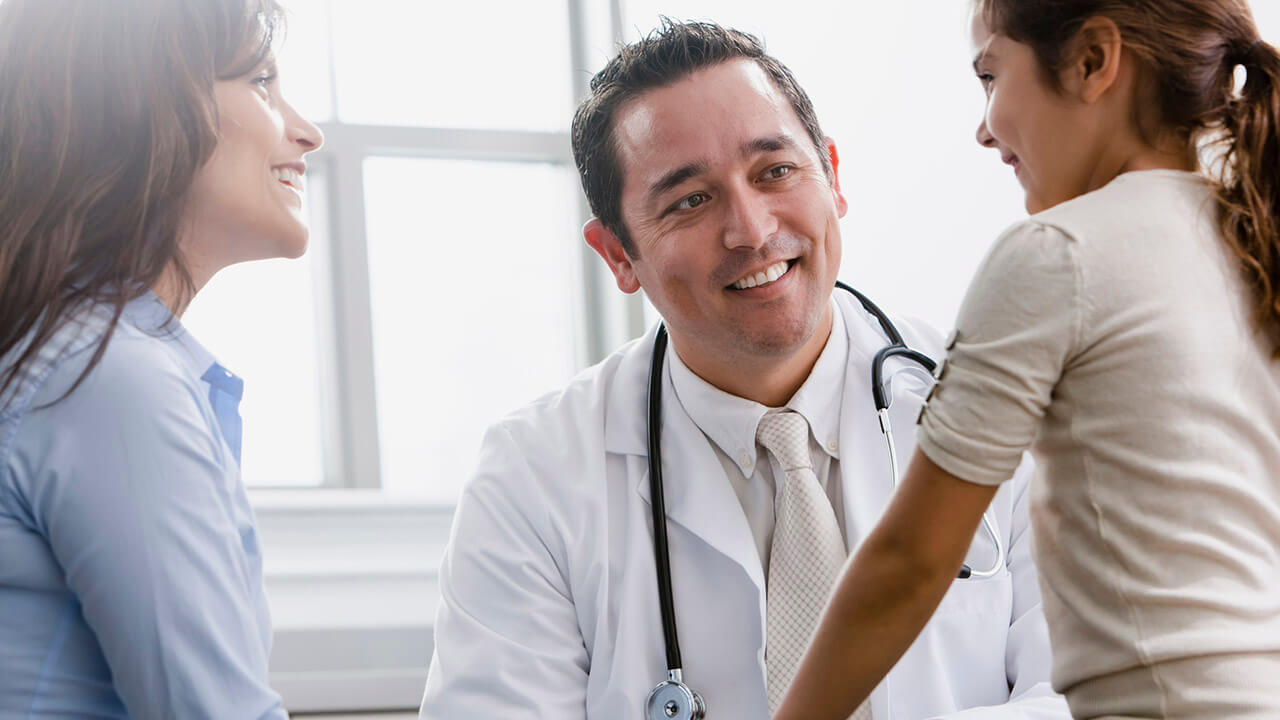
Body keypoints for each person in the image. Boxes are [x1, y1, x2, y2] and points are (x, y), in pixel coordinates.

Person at [420, 20, 1068, 720]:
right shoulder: (534, 477)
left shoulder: (1008, 404)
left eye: (776, 171)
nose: (752, 230)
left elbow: (1089, 695)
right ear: (617, 256)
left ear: (833, 176)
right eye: (690, 200)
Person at [774, 1, 1280, 719]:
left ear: (1092, 61)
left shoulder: (1058, 255)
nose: (983, 129)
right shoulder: (1250, 238)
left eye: (990, 74)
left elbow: (912, 563)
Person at [0, 0, 323, 716]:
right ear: (141, 107)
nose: (308, 132)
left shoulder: (55, 351)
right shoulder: (104, 379)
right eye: (262, 83)